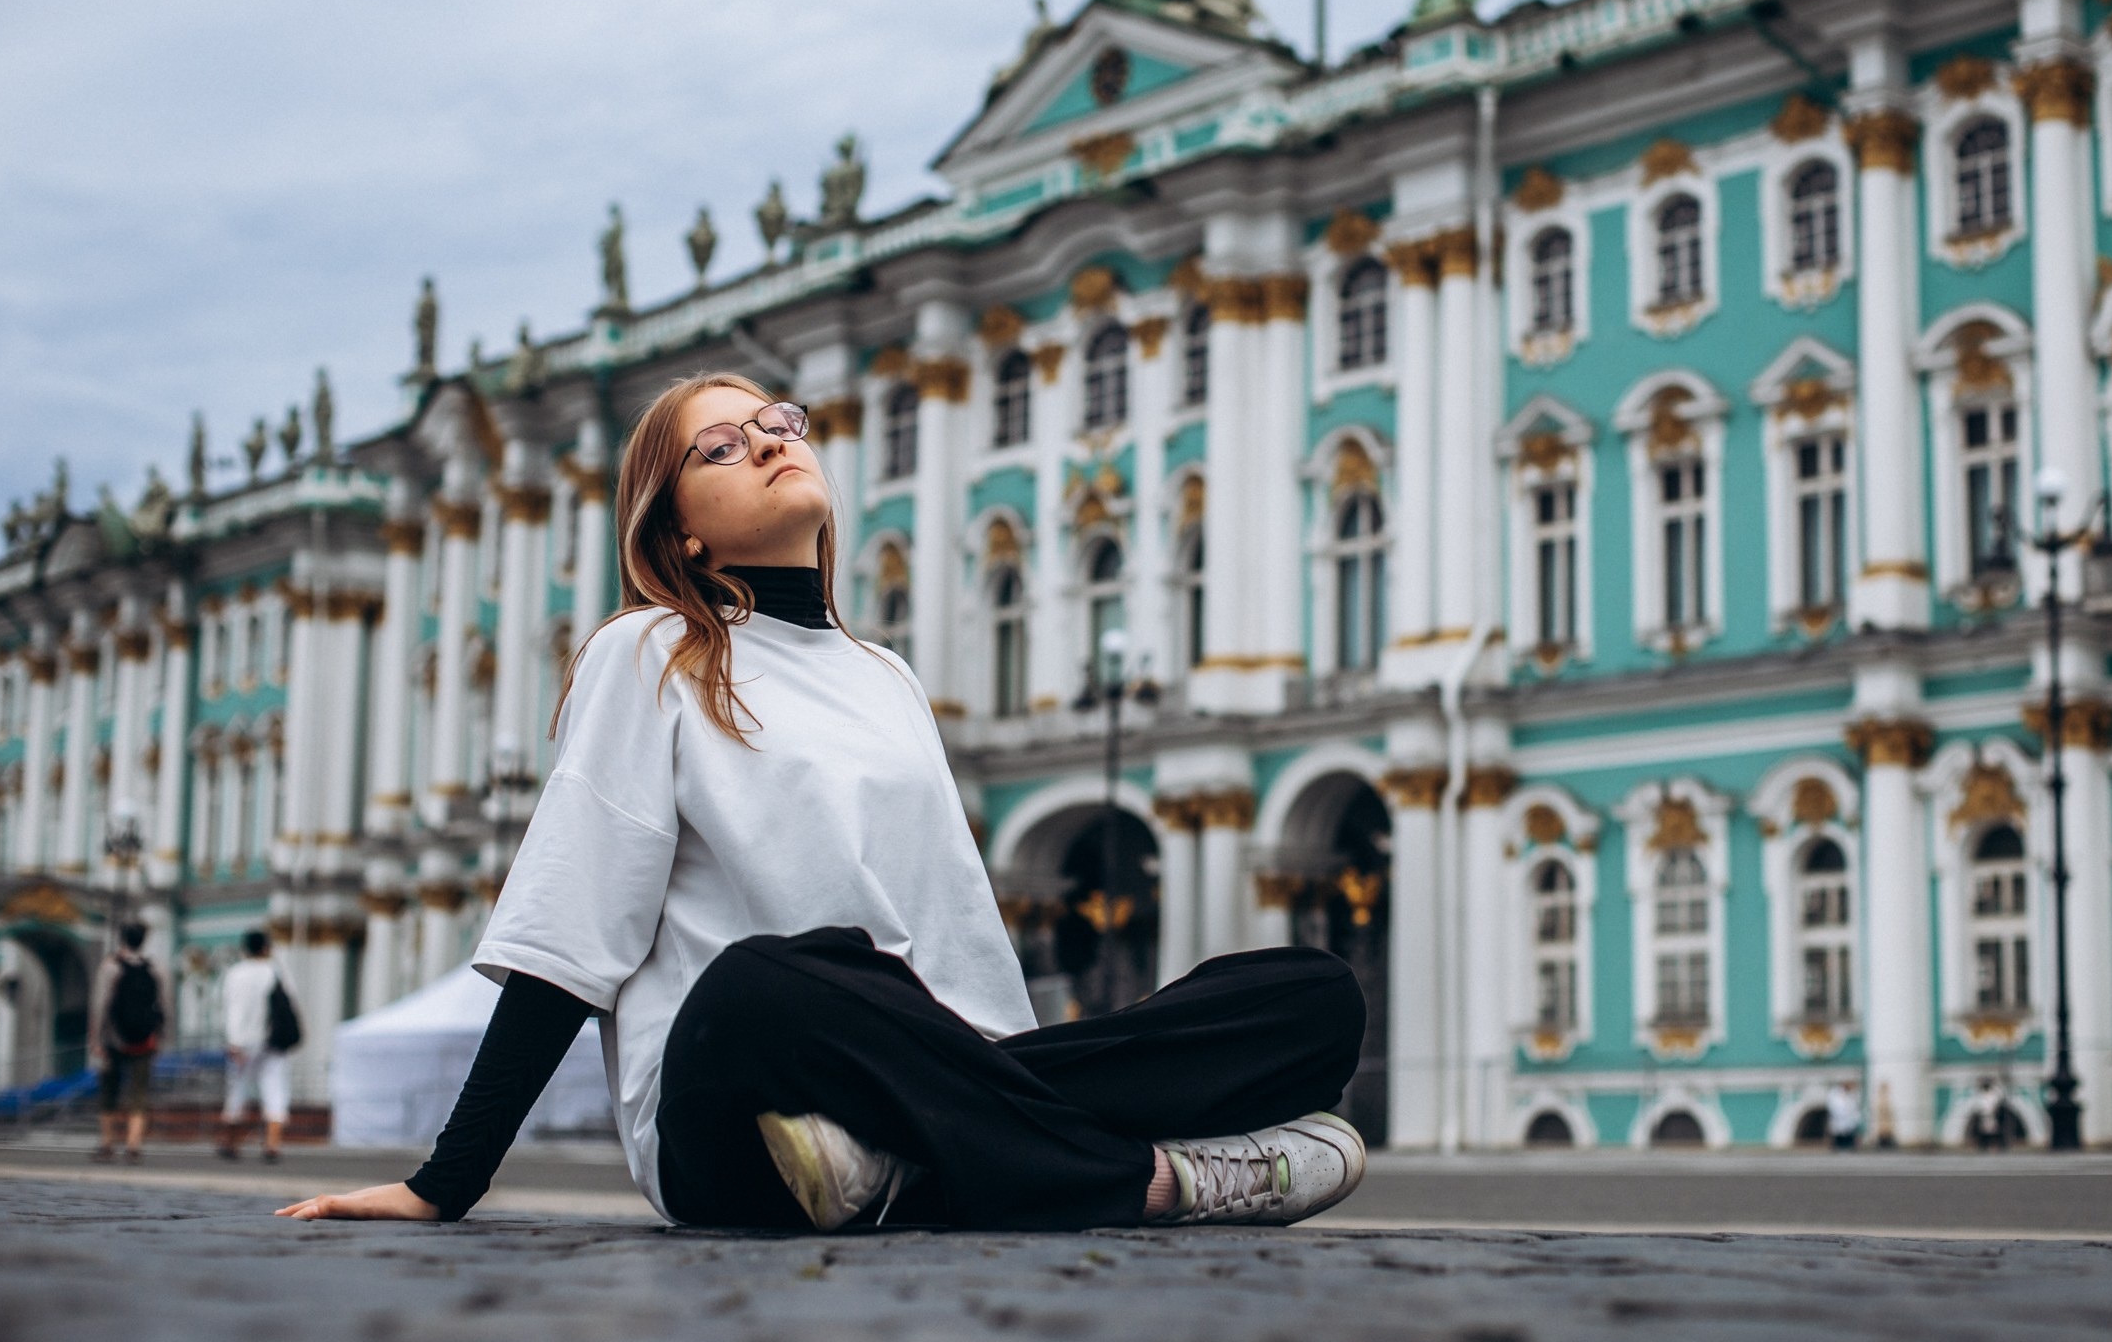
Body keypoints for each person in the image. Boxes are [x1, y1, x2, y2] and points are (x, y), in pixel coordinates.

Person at [281, 373, 1367, 1232]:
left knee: (1313, 996)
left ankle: (907, 1165)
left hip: (937, 1083)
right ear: (680, 533)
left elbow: (960, 938)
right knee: (774, 975)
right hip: (736, 1117)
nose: (766, 440)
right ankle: (1157, 1181)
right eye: (720, 445)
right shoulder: (653, 651)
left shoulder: (885, 675)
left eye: (776, 421)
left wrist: (994, 1074)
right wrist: (446, 1180)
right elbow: (572, 932)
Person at [91, 921, 168, 1163]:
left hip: (115, 1039)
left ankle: (107, 1143)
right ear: (143, 940)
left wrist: (95, 1038)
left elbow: (100, 1005)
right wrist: (163, 1036)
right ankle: (134, 1145)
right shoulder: (156, 967)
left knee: (109, 1092)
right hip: (145, 1040)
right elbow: (165, 1005)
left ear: (123, 938)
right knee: (139, 1093)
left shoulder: (111, 966)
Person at [218, 930, 295, 1163]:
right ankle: (272, 1144)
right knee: (275, 1088)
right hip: (272, 1041)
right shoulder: (276, 972)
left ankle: (231, 1143)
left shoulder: (235, 974)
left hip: (242, 1041)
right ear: (265, 948)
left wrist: (233, 1040)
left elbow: (231, 1009)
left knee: (238, 1089)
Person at [1824, 1080, 1862, 1151]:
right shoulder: (1835, 1094)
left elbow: (1855, 1108)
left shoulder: (1852, 1094)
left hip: (1849, 1121)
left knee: (1848, 1136)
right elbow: (1834, 1107)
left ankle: (1849, 1147)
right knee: (1839, 1136)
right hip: (1839, 1120)